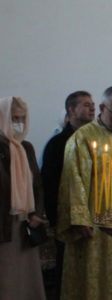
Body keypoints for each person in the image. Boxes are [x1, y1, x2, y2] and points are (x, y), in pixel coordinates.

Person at [57, 86, 112, 300]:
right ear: (103, 108)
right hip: (96, 224)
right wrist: (80, 219)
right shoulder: (83, 138)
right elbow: (73, 179)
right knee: (94, 279)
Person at [40, 90, 95, 298]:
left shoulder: (97, 140)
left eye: (93, 104)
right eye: (86, 104)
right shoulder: (57, 144)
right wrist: (58, 220)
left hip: (95, 218)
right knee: (67, 270)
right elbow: (50, 183)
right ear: (71, 110)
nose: (92, 107)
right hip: (67, 220)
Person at [0, 97, 46, 300]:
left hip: (25, 221)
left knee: (26, 276)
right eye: (13, 118)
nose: (18, 123)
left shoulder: (26, 147)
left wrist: (37, 212)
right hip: (4, 221)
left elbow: (36, 183)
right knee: (6, 275)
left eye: (21, 118)